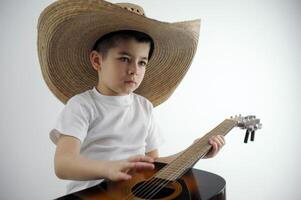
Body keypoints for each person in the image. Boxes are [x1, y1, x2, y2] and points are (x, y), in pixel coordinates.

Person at [37, 0, 225, 195]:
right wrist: (108, 168)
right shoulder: (82, 106)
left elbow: (153, 167)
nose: (135, 70)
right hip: (91, 195)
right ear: (97, 60)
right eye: (125, 59)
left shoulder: (144, 107)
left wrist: (194, 152)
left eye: (142, 62)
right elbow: (63, 164)